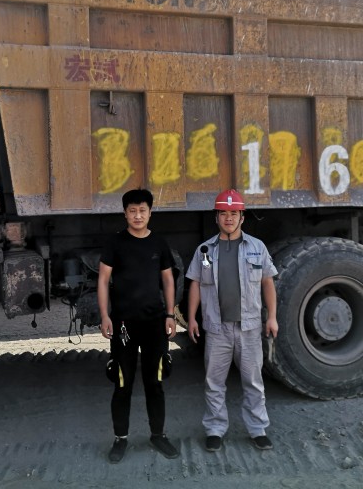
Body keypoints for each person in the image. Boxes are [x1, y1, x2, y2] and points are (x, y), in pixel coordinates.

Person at [185, 189, 279, 452]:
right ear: (216, 217)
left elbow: (267, 282)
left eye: (234, 213)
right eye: (224, 213)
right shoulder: (205, 250)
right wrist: (191, 318)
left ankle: (258, 429)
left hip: (249, 327)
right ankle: (215, 429)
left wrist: (272, 317)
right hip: (217, 329)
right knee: (214, 383)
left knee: (253, 381)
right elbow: (195, 284)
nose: (229, 218)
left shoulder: (257, 247)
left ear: (242, 217)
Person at [97, 188, 179, 463]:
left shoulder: (159, 243)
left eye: (142, 210)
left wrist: (170, 315)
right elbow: (103, 280)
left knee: (155, 381)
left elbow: (168, 280)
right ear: (125, 214)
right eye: (132, 211)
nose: (137, 215)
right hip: (123, 324)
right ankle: (120, 439)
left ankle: (158, 435)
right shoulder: (115, 243)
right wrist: (105, 315)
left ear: (150, 212)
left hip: (155, 323)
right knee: (123, 382)